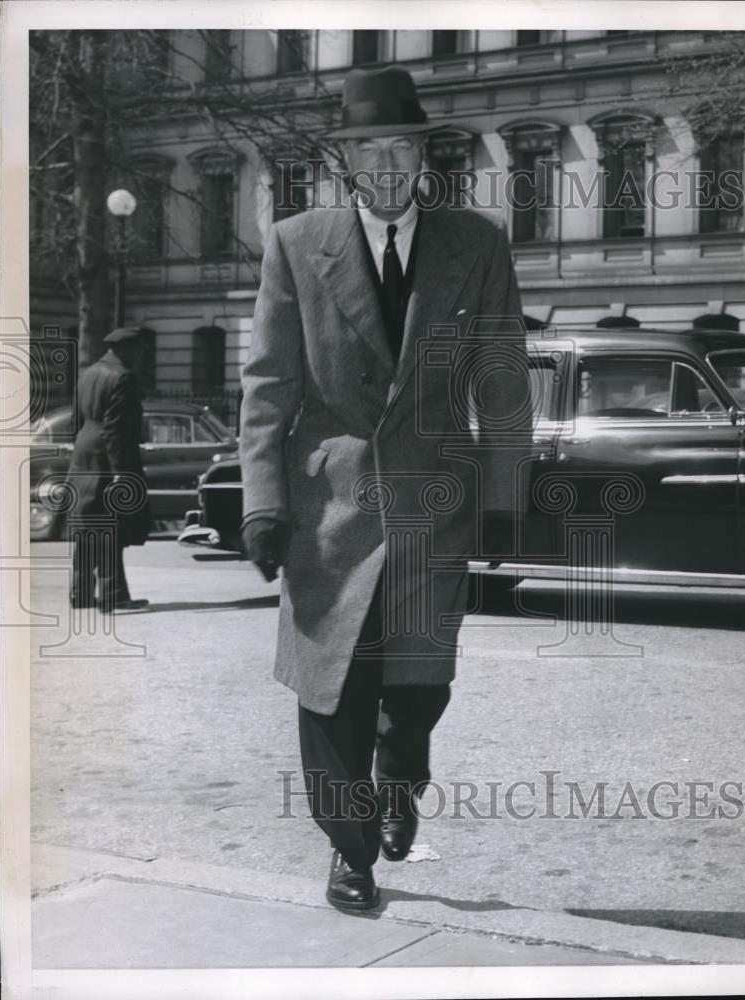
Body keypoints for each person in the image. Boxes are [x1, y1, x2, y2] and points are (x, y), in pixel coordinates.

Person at [240, 65, 529, 912]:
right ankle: (350, 850)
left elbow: (504, 380)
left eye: (402, 144)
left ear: (424, 156)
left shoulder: (475, 244)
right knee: (332, 690)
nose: (388, 161)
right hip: (328, 508)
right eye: (370, 146)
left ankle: (400, 782)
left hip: (434, 504)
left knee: (416, 691)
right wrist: (263, 500)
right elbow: (268, 383)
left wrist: (507, 501)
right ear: (347, 159)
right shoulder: (297, 243)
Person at [68, 326, 152, 613]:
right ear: (126, 348)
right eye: (140, 349)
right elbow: (116, 430)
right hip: (107, 458)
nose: (142, 355)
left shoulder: (88, 373)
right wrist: (120, 472)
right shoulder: (123, 377)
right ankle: (114, 595)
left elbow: (76, 421)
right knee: (110, 528)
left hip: (85, 454)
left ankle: (81, 594)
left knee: (87, 527)